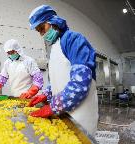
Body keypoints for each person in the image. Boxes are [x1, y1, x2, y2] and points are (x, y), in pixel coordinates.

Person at [28, 5, 98, 135]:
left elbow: (80, 82)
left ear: (53, 22)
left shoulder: (74, 40)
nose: (42, 34)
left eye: (42, 28)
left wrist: (53, 107)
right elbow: (58, 79)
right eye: (39, 31)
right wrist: (46, 93)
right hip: (63, 115)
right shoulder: (55, 47)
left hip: (80, 117)